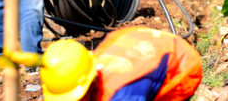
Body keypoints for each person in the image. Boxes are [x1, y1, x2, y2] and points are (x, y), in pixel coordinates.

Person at [40, 27, 203, 101]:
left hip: (180, 64)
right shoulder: (82, 66)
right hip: (140, 41)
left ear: (89, 83)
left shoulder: (124, 93)